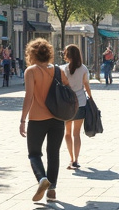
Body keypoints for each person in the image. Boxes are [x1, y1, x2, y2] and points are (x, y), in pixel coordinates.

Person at [20, 38, 70, 203]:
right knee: (53, 154)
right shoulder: (58, 71)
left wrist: (22, 120)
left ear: (32, 54)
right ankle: (52, 190)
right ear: (48, 53)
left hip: (37, 119)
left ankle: (42, 179)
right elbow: (67, 92)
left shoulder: (31, 71)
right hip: (57, 118)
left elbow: (29, 96)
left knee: (34, 154)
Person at [60, 44, 92, 172]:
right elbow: (86, 85)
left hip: (67, 104)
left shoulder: (62, 69)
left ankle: (71, 158)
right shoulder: (84, 69)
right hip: (81, 103)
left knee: (67, 133)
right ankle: (76, 160)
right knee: (76, 133)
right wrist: (91, 97)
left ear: (68, 55)